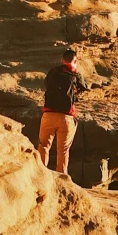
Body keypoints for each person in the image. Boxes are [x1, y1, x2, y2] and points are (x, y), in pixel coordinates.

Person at [38, 44, 85, 178]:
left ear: (62, 60)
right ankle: (62, 179)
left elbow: (47, 84)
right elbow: (84, 88)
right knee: (63, 151)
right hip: (66, 117)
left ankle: (40, 175)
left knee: (43, 146)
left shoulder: (53, 72)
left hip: (48, 115)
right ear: (75, 61)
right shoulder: (75, 75)